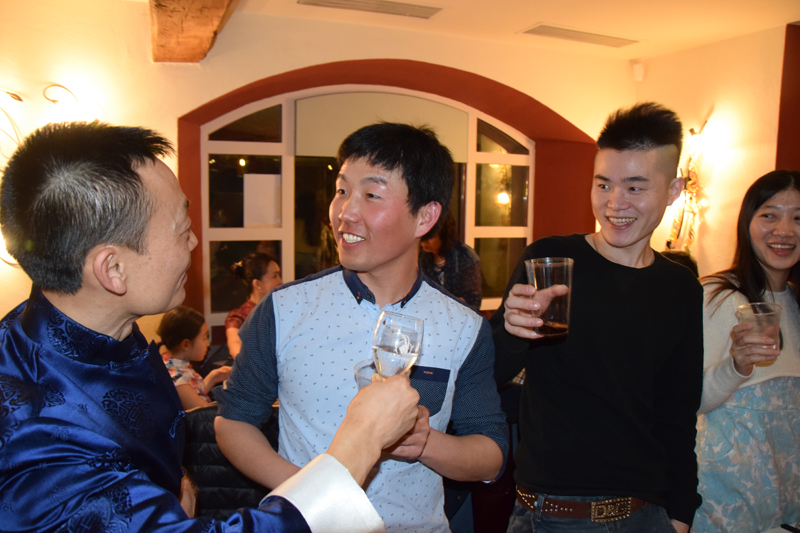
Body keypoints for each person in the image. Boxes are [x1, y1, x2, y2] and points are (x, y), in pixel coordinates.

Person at [0, 121, 424, 532]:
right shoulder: (39, 442)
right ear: (113, 269)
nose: (194, 243)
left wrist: (167, 484)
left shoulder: (98, 330)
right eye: (182, 230)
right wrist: (361, 439)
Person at [215, 122, 509, 533]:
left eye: (371, 195)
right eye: (342, 190)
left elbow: (491, 453)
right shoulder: (284, 309)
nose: (344, 213)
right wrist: (310, 493)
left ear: (425, 217)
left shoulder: (463, 327)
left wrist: (425, 442)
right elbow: (233, 421)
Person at [493, 103, 703, 533]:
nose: (614, 203)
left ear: (674, 190)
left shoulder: (680, 287)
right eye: (603, 184)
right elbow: (489, 373)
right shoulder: (550, 260)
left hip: (645, 515)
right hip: (549, 514)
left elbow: (678, 415)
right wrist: (512, 331)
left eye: (635, 187)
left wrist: (681, 516)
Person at [693, 170, 800, 533]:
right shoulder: (718, 295)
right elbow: (688, 400)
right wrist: (736, 366)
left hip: (785, 505)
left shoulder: (795, 302)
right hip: (723, 504)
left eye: (798, 218)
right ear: (747, 223)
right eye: (769, 215)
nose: (784, 230)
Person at [159, 306, 232, 409]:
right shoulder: (175, 379)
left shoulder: (174, 364)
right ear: (186, 344)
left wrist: (212, 378)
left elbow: (193, 394)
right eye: (204, 338)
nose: (208, 344)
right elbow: (205, 415)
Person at [420, 211, 483, 310]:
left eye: (430, 236)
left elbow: (472, 301)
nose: (424, 241)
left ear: (444, 233)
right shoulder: (421, 255)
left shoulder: (465, 257)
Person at [226, 252, 282, 357]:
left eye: (279, 275)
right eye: (274, 276)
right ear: (258, 284)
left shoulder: (282, 310)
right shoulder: (238, 317)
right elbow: (235, 347)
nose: (280, 281)